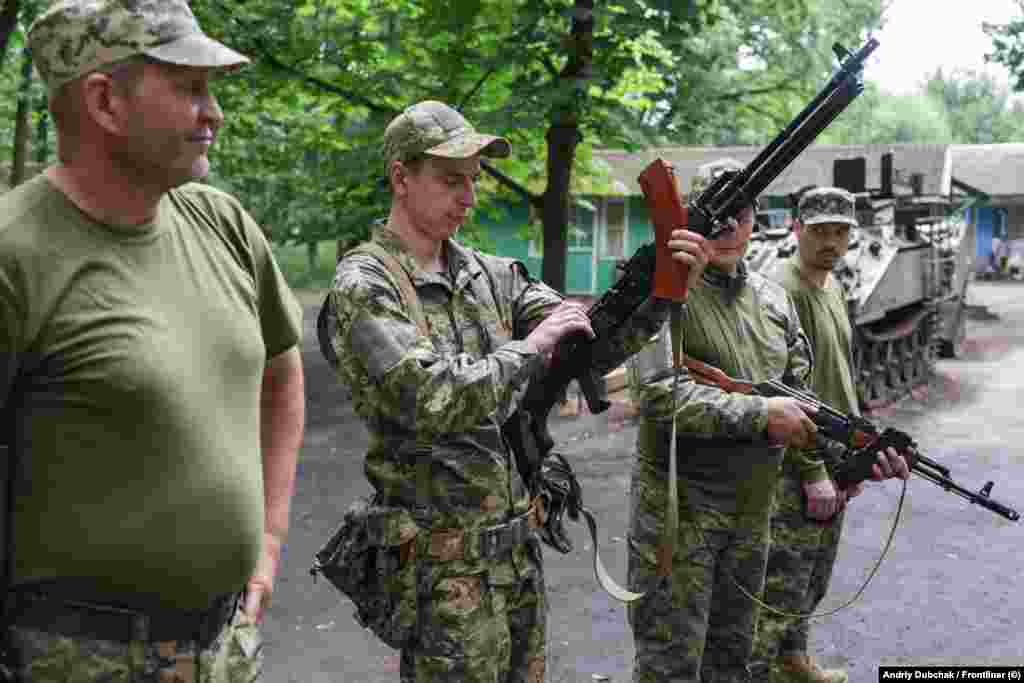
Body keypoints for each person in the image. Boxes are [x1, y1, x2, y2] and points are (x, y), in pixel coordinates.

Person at [322, 99, 705, 683]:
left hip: (515, 556)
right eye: (451, 180)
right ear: (401, 177)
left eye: (473, 181)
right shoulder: (366, 284)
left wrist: (661, 291)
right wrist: (530, 348)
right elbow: (427, 396)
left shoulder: (493, 274)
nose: (469, 198)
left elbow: (588, 344)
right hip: (440, 574)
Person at [0, 1, 305, 680]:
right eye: (190, 87)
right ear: (105, 101)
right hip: (76, 661)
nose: (214, 113)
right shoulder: (14, 256)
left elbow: (281, 372)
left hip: (224, 649)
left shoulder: (221, 222)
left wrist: (271, 537)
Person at [624, 162, 905, 683]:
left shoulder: (773, 301)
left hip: (755, 518)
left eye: (742, 213)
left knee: (737, 662)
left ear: (756, 219)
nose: (729, 227)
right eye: (717, 214)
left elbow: (804, 401)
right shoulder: (660, 294)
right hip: (679, 520)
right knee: (672, 665)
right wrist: (759, 414)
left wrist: (859, 458)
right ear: (691, 216)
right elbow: (655, 393)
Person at [751, 187, 910, 683]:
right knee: (782, 582)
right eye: (820, 231)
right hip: (797, 458)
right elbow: (780, 390)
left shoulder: (832, 287)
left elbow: (840, 371)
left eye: (841, 232)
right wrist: (815, 471)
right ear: (797, 228)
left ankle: (793, 662)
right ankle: (765, 671)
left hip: (836, 448)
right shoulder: (782, 290)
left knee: (813, 575)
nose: (831, 242)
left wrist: (860, 451)